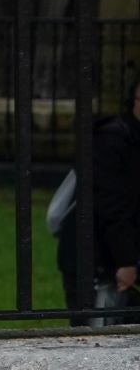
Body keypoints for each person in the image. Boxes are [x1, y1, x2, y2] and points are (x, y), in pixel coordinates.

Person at [55, 76, 140, 315]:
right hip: (94, 256)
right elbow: (112, 207)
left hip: (114, 253)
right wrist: (126, 262)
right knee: (94, 334)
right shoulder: (112, 139)